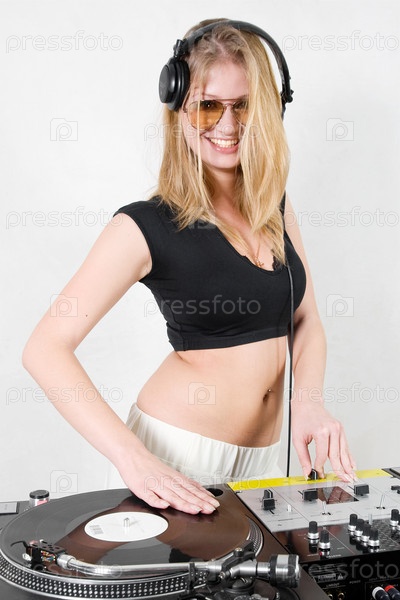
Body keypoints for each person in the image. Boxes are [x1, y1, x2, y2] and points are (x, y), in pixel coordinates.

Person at [22, 18, 356, 516]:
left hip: (264, 462)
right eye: (208, 106)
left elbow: (306, 318)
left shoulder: (275, 206)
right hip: (178, 459)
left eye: (243, 105)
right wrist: (134, 459)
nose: (228, 125)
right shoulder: (145, 225)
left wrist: (307, 401)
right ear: (179, 108)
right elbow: (44, 349)